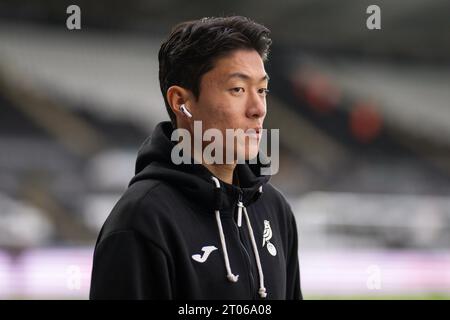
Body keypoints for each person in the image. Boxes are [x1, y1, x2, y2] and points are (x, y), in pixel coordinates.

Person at [89, 16, 302, 300]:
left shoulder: (274, 208)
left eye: (262, 90)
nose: (258, 109)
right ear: (181, 102)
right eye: (237, 89)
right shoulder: (142, 220)